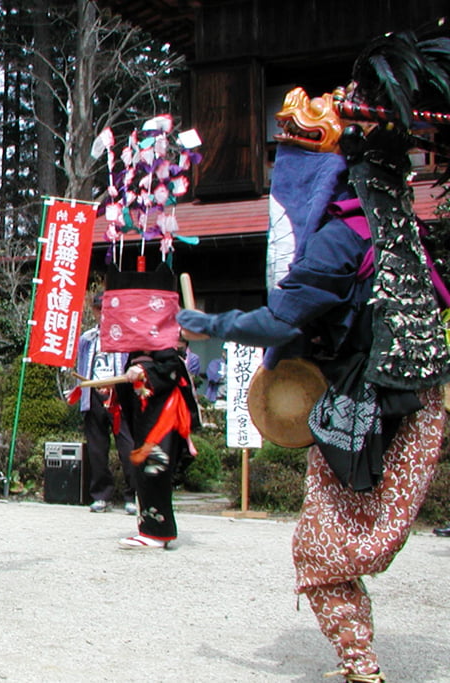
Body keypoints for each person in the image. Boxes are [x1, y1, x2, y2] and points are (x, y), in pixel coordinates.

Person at [178, 45, 450, 681]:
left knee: (323, 547)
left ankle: (361, 667)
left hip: (365, 418)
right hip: (423, 407)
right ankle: (361, 660)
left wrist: (211, 324)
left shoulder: (339, 236)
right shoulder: (400, 229)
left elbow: (281, 318)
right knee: (344, 546)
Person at [115, 337, 199, 549]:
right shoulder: (140, 345)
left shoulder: (163, 345)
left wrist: (144, 370)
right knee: (145, 470)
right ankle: (152, 530)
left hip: (165, 415)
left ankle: (157, 532)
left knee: (154, 469)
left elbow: (170, 370)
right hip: (147, 416)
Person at [74, 292, 137, 514]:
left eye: (106, 309)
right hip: (93, 392)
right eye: (98, 309)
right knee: (97, 449)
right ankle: (101, 495)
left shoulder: (126, 336)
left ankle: (133, 495)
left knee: (128, 446)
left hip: (119, 393)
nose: (102, 313)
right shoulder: (88, 338)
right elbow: (81, 365)